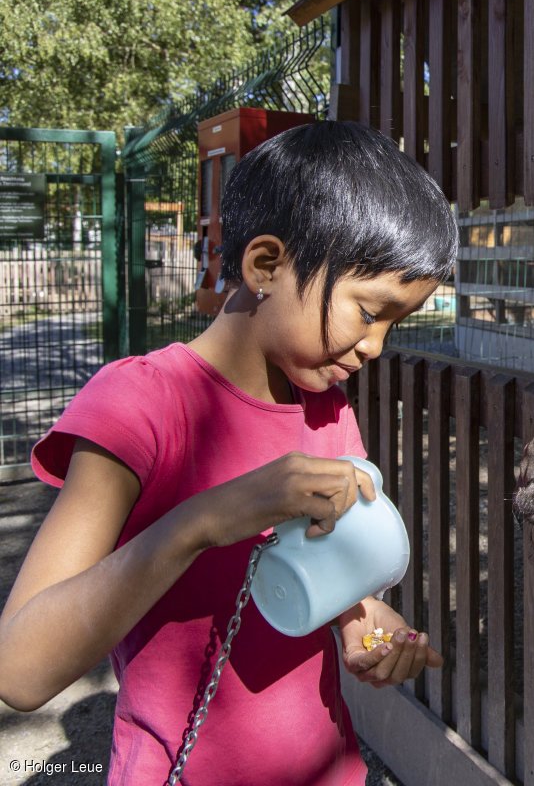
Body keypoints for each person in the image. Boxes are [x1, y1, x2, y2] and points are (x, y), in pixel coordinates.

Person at [0, 120, 455, 785]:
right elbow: (19, 670)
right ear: (266, 265)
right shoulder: (141, 406)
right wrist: (203, 521)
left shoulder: (325, 411)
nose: (376, 346)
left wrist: (370, 628)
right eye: (368, 311)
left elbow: (333, 597)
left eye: (397, 323)